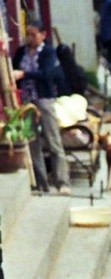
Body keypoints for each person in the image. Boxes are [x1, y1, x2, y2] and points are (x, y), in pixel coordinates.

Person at [12, 20, 71, 195]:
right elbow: (13, 68)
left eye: (33, 35)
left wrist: (24, 74)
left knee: (53, 141)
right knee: (32, 142)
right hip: (25, 101)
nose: (29, 38)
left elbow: (46, 74)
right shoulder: (21, 52)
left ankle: (62, 181)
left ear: (42, 35)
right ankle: (40, 182)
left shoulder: (48, 53)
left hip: (44, 99)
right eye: (27, 34)